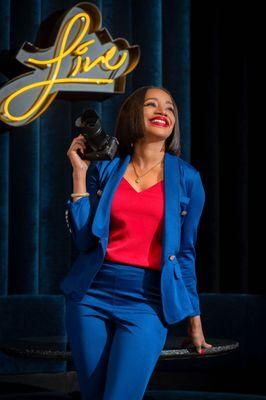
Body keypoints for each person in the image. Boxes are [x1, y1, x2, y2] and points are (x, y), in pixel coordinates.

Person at [62, 86, 212, 400]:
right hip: (91, 295)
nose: (163, 112)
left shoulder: (188, 179)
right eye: (152, 105)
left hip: (147, 300)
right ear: (133, 114)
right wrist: (79, 173)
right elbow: (84, 240)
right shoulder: (105, 169)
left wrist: (193, 321)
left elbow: (185, 253)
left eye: (170, 108)